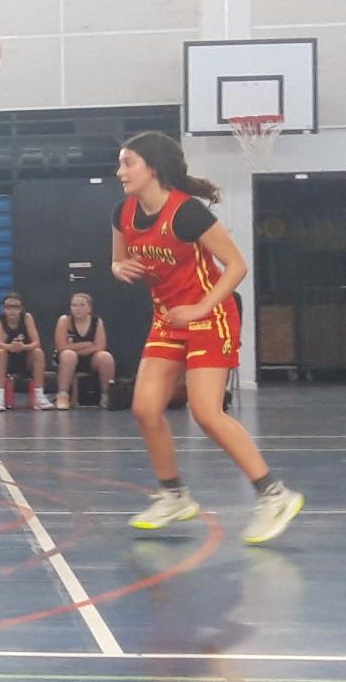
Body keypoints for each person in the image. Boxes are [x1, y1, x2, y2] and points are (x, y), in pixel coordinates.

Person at [113, 131, 302, 545]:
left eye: (128, 163)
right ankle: (173, 496)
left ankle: (275, 495)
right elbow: (118, 258)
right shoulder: (123, 212)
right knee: (145, 408)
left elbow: (236, 265)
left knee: (206, 412)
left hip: (209, 315)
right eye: (120, 163)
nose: (120, 171)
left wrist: (200, 308)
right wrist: (118, 267)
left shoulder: (187, 213)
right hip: (168, 319)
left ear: (152, 168)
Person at [0, 291, 55, 411]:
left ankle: (39, 395)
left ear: (21, 308)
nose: (12, 311)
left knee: (38, 352)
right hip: (8, 359)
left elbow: (36, 342)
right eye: (8, 307)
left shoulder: (27, 318)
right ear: (3, 308)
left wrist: (22, 347)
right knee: (0, 353)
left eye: (16, 307)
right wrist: (11, 347)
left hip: (24, 358)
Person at [52, 292, 115, 409]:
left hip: (90, 359)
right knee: (68, 355)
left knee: (105, 357)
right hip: (67, 360)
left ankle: (106, 395)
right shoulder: (64, 320)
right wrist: (85, 344)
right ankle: (63, 395)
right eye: (74, 305)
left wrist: (77, 349)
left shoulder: (97, 321)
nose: (78, 309)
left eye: (82, 305)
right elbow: (61, 346)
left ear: (89, 308)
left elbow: (100, 346)